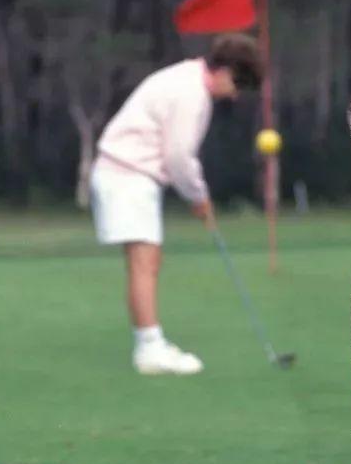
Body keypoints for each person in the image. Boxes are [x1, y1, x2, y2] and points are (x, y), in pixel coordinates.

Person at [90, 34, 262, 375]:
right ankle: (149, 350)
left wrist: (195, 195)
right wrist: (198, 197)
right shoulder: (192, 95)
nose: (237, 93)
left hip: (127, 174)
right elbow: (178, 158)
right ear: (225, 71)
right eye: (239, 83)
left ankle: (149, 343)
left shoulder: (185, 78)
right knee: (144, 262)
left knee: (148, 260)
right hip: (126, 175)